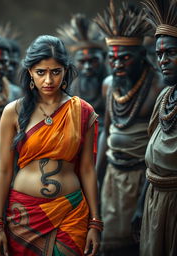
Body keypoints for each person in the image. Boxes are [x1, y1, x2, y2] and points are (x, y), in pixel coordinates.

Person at [0, 35, 102, 256]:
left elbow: (88, 169)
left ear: (65, 71)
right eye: (41, 72)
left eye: (56, 72)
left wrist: (95, 223)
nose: (49, 80)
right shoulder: (14, 111)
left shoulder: (82, 111)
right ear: (30, 72)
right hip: (24, 216)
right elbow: (3, 170)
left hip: (71, 213)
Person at [94, 1, 163, 255]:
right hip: (114, 173)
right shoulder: (109, 84)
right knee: (111, 244)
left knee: (140, 242)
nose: (117, 64)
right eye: (112, 58)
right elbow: (107, 132)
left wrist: (144, 198)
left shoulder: (158, 87)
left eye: (125, 58)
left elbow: (159, 145)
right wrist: (96, 176)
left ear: (142, 57)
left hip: (143, 177)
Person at [138, 0, 177, 255]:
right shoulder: (165, 97)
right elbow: (150, 162)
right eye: (159, 54)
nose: (162, 60)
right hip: (154, 199)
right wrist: (141, 204)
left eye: (171, 53)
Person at [57, 13, 108, 135]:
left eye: (93, 61)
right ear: (74, 61)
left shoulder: (111, 85)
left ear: (104, 57)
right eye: (82, 61)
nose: (87, 66)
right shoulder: (68, 87)